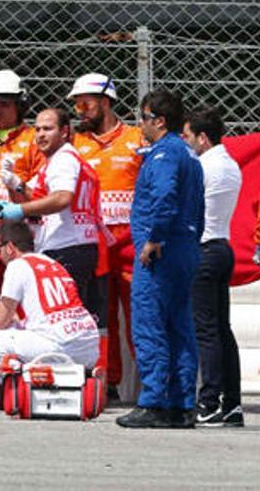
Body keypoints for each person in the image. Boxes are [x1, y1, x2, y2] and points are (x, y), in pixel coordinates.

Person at [115, 90, 204, 429]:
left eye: (145, 118)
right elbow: (197, 205)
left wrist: (154, 238)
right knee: (180, 325)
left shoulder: (164, 154)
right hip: (185, 247)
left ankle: (153, 401)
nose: (141, 124)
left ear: (160, 121)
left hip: (161, 251)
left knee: (150, 323)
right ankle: (182, 404)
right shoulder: (190, 154)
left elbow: (164, 197)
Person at [68, 72, 145, 394]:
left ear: (105, 101)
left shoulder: (138, 138)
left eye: (85, 103)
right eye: (76, 106)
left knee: (139, 314)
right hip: (93, 243)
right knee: (99, 316)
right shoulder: (74, 143)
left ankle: (151, 386)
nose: (81, 111)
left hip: (132, 243)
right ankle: (107, 383)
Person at [0, 108, 104, 320]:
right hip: (75, 245)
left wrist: (20, 210)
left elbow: (62, 198)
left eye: (48, 129)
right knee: (68, 315)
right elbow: (35, 196)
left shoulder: (63, 159)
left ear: (64, 132)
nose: (40, 135)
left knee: (58, 316)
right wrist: (14, 183)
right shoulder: (61, 159)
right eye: (37, 129)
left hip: (66, 247)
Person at [0, 221, 99, 379]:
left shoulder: (17, 265)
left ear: (9, 247)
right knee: (16, 329)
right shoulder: (53, 263)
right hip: (89, 348)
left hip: (60, 346)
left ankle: (20, 383)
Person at [182, 106, 244, 427]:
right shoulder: (230, 164)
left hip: (203, 249)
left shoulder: (201, 166)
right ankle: (232, 404)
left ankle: (208, 403)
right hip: (223, 246)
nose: (185, 141)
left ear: (202, 138)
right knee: (222, 330)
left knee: (205, 330)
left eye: (188, 136)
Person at [0, 69, 45, 203]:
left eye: (5, 104)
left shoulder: (35, 139)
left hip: (20, 218)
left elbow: (42, 191)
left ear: (20, 107)